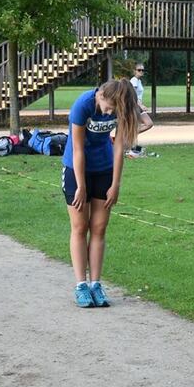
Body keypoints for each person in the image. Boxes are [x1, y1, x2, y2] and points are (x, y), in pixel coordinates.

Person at [63, 79, 141, 308]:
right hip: (76, 170)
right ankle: (81, 286)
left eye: (112, 110)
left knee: (99, 227)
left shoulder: (120, 107)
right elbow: (77, 149)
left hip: (104, 169)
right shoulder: (83, 105)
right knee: (80, 226)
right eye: (107, 107)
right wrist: (81, 185)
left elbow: (118, 147)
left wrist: (116, 184)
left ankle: (96, 283)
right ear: (100, 95)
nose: (108, 113)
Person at [126, 62, 154, 158]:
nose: (141, 71)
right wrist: (141, 105)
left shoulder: (138, 81)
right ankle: (130, 148)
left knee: (147, 124)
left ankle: (131, 143)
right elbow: (133, 95)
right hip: (134, 106)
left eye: (142, 70)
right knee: (148, 123)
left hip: (137, 106)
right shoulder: (133, 80)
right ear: (134, 71)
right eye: (139, 70)